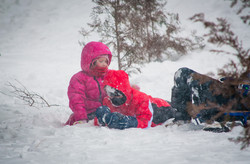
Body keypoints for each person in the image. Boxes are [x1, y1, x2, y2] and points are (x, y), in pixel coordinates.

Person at [171, 67, 250, 132]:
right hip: (231, 92)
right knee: (182, 73)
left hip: (239, 103)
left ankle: (211, 121)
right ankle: (182, 118)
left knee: (201, 84)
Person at [95, 70, 177, 129]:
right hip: (148, 105)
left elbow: (146, 123)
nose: (112, 97)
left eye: (115, 93)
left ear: (124, 90)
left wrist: (129, 122)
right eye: (109, 93)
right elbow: (100, 120)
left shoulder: (140, 99)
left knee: (176, 111)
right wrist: (103, 117)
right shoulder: (108, 100)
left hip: (160, 107)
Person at [65, 41, 112, 126]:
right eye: (101, 61)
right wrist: (81, 118)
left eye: (106, 61)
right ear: (91, 61)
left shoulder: (108, 76)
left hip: (106, 111)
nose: (104, 64)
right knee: (105, 114)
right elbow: (77, 100)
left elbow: (119, 88)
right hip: (89, 115)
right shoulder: (79, 78)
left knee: (113, 115)